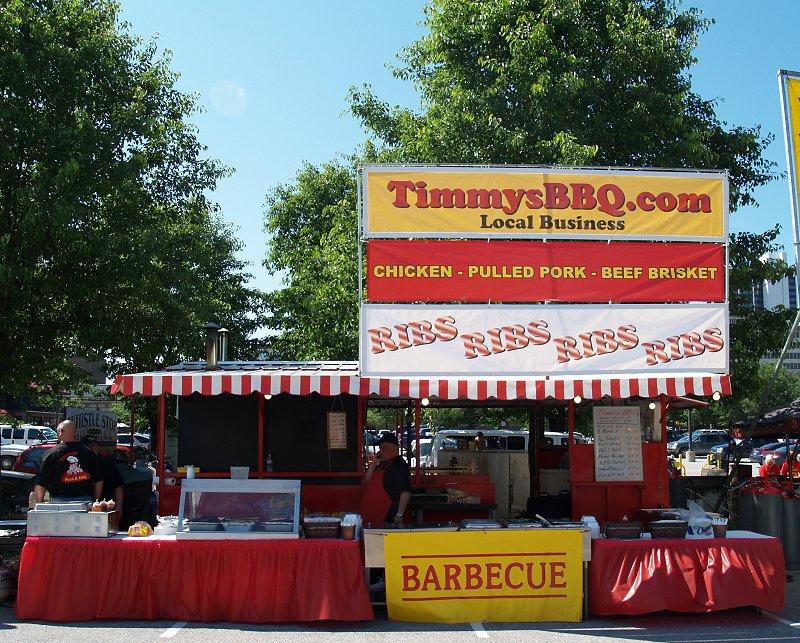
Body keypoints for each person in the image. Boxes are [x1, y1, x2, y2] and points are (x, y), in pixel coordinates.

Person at [34, 420, 102, 503]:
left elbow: (41, 482)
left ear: (61, 432)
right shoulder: (88, 452)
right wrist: (96, 502)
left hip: (58, 502)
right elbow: (98, 480)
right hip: (84, 501)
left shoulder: (50, 454)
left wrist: (38, 504)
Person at [359, 433, 411, 528]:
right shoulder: (382, 464)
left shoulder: (400, 465)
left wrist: (399, 514)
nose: (380, 451)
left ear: (394, 448)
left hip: (387, 519)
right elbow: (367, 481)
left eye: (384, 448)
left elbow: (405, 492)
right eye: (380, 448)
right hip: (372, 518)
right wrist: (374, 463)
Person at [83, 436, 124, 528]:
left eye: (95, 446)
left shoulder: (106, 463)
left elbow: (118, 486)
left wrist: (119, 507)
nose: (93, 449)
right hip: (85, 506)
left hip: (106, 506)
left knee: (106, 531)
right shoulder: (81, 463)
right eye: (89, 447)